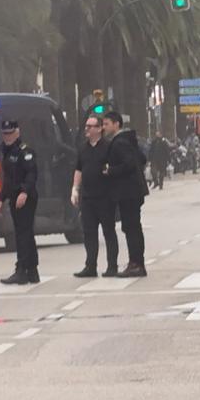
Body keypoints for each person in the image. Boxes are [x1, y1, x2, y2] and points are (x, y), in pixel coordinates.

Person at [70, 115, 118, 278]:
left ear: (99, 129)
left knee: (108, 232)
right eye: (86, 127)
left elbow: (114, 168)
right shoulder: (83, 148)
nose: (87, 130)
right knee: (89, 233)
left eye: (91, 127)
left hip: (105, 197)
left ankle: (112, 265)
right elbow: (79, 169)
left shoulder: (108, 147)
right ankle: (90, 265)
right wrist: (75, 189)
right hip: (88, 198)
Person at [101, 111, 148, 277]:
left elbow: (129, 164)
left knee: (131, 228)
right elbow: (141, 159)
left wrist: (111, 170)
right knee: (133, 227)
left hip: (128, 192)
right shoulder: (129, 140)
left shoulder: (119, 142)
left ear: (116, 124)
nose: (104, 128)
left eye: (106, 124)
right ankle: (137, 262)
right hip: (134, 191)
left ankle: (135, 263)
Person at [0, 119, 39, 284]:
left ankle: (21, 270)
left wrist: (24, 192)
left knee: (23, 234)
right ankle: (32, 270)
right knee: (25, 233)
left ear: (17, 132)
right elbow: (8, 180)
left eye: (10, 133)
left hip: (26, 198)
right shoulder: (7, 152)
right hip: (14, 197)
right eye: (4, 134)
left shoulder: (25, 151)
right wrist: (1, 199)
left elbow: (31, 174)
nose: (7, 137)